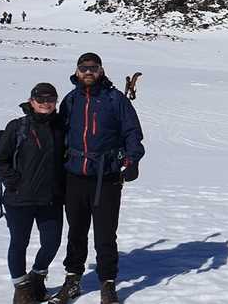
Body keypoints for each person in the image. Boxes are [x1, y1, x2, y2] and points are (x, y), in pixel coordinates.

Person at [50, 53, 145, 304]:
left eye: (93, 68)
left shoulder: (115, 100)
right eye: (84, 68)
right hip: (75, 176)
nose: (88, 72)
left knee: (105, 234)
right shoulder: (71, 100)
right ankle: (73, 279)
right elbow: (58, 134)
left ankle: (108, 282)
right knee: (76, 231)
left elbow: (132, 131)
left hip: (108, 176)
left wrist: (132, 160)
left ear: (101, 70)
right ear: (77, 71)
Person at [0, 83, 66, 304]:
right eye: (40, 100)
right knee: (19, 243)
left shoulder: (60, 128)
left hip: (50, 199)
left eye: (50, 99)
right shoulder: (18, 127)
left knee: (52, 242)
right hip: (19, 199)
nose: (45, 104)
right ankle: (21, 289)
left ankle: (38, 276)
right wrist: (16, 182)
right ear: (31, 101)